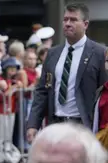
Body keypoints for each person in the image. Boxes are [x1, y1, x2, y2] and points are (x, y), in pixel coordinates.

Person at [27, 3, 107, 142]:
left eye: (73, 20)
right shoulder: (52, 53)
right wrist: (33, 124)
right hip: (55, 124)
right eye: (65, 19)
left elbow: (105, 91)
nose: (68, 23)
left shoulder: (99, 52)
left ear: (85, 24)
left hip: (84, 125)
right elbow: (42, 91)